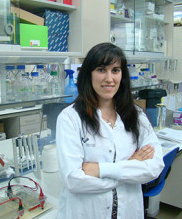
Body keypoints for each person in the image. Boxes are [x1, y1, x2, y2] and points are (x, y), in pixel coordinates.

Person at [56, 42, 164, 219]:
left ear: (122, 75)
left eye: (115, 70)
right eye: (101, 69)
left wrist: (100, 170)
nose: (109, 78)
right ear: (88, 74)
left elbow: (154, 167)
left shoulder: (136, 116)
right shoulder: (70, 118)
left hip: (128, 210)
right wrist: (131, 165)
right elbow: (74, 181)